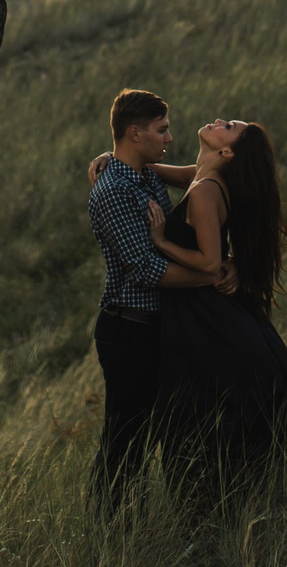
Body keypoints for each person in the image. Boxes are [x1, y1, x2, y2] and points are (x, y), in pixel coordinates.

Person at [97, 116, 287, 494]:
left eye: (229, 125)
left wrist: (161, 241)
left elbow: (210, 264)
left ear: (227, 150)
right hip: (197, 313)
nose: (219, 120)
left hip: (201, 315)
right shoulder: (204, 177)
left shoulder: (205, 190)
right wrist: (118, 159)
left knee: (202, 410)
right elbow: (174, 172)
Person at [84, 88, 218, 508]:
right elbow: (145, 268)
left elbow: (206, 171)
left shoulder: (143, 175)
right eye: (161, 130)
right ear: (135, 133)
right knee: (125, 438)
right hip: (128, 330)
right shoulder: (112, 192)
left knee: (159, 430)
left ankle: (139, 522)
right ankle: (113, 530)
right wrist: (210, 277)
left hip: (154, 328)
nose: (169, 138)